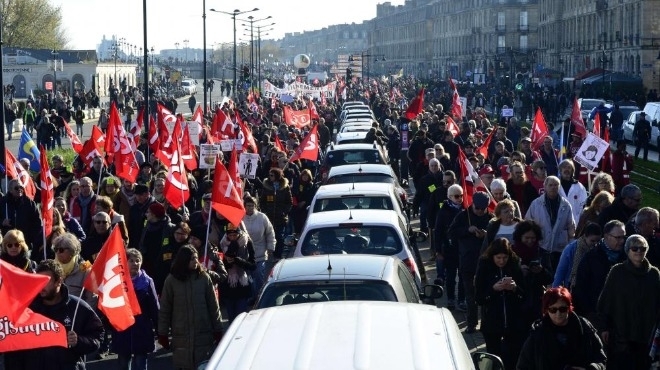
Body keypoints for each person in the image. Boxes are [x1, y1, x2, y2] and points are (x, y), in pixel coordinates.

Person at [4, 260, 104, 369]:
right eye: (38, 280)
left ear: (59, 281)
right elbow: (13, 346)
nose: (41, 285)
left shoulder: (78, 307)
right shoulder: (26, 308)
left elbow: (98, 335)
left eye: (46, 281)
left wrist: (78, 341)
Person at [598, 235, 660, 370]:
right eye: (634, 248)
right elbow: (606, 301)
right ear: (627, 250)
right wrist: (604, 327)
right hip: (622, 334)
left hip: (646, 335)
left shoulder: (654, 274)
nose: (639, 251)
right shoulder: (617, 271)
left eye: (642, 248)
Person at [158, 245, 224, 370]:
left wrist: (218, 329)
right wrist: (163, 333)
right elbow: (165, 309)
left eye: (196, 258)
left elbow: (213, 306)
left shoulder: (204, 278)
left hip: (203, 334)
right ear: (183, 260)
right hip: (181, 335)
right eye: (192, 259)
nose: (196, 262)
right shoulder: (171, 280)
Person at [516, 287, 607, 370]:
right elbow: (523, 366)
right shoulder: (538, 334)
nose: (558, 314)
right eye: (553, 310)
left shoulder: (584, 327)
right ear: (547, 311)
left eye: (562, 309)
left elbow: (601, 357)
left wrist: (591, 368)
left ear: (569, 308)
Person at [475, 238, 526, 370]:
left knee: (513, 357)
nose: (502, 261)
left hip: (513, 322)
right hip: (492, 322)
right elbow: (479, 298)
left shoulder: (515, 265)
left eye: (505, 257)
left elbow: (525, 294)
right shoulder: (484, 265)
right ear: (492, 256)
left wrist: (515, 288)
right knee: (494, 357)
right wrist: (493, 289)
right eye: (498, 258)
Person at [448, 191, 493, 333]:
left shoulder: (491, 219)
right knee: (470, 295)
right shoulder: (463, 216)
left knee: (487, 295)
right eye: (477, 208)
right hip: (468, 262)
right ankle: (472, 322)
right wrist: (467, 230)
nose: (480, 211)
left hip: (486, 263)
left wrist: (486, 235)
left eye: (482, 208)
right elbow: (451, 233)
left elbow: (497, 237)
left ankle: (486, 322)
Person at [112, 249, 160, 370]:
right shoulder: (117, 282)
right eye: (131, 261)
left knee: (140, 364)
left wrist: (159, 328)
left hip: (142, 328)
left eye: (138, 261)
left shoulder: (147, 282)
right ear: (124, 262)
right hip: (123, 329)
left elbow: (154, 306)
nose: (135, 263)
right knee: (123, 363)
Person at [572, 220, 627, 323]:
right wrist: (590, 313)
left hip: (620, 314)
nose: (622, 241)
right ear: (606, 236)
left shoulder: (627, 256)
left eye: (623, 237)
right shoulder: (591, 258)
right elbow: (581, 287)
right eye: (618, 238)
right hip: (596, 313)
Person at [525, 176, 576, 272]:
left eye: (556, 185)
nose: (553, 187)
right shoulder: (536, 204)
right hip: (541, 246)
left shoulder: (566, 205)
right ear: (545, 186)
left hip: (560, 247)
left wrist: (571, 244)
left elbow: (571, 226)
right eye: (550, 185)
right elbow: (528, 223)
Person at [435, 184, 466, 310]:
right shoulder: (443, 211)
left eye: (461, 196)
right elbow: (438, 232)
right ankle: (451, 299)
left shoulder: (465, 210)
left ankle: (462, 299)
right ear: (450, 197)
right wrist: (438, 250)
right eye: (457, 196)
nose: (460, 199)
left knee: (463, 276)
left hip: (463, 249)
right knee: (451, 276)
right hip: (449, 248)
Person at [218, 224, 256, 322]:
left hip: (242, 284)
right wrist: (227, 262)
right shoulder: (222, 244)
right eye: (230, 235)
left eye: (235, 235)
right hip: (228, 286)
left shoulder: (247, 242)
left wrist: (238, 261)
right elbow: (219, 265)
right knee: (231, 317)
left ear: (239, 234)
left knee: (240, 317)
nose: (232, 238)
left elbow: (253, 265)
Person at [242, 195, 276, 295]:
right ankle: (251, 295)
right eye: (248, 205)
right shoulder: (240, 218)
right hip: (245, 254)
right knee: (248, 277)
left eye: (252, 206)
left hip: (260, 253)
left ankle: (260, 295)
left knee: (258, 275)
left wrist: (271, 247)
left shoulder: (262, 217)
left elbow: (270, 232)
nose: (250, 208)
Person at [553, 223, 603, 289]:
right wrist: (555, 291)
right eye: (592, 241)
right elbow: (561, 272)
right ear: (585, 237)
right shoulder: (571, 249)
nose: (595, 244)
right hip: (572, 286)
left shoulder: (600, 250)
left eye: (598, 241)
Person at [259, 168, 293, 259]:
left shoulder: (284, 187)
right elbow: (262, 201)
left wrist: (284, 212)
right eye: (269, 175)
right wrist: (264, 211)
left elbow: (289, 202)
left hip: (280, 217)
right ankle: (269, 253)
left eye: (272, 175)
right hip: (269, 216)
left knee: (279, 236)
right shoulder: (267, 187)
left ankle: (278, 254)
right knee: (268, 235)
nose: (270, 177)